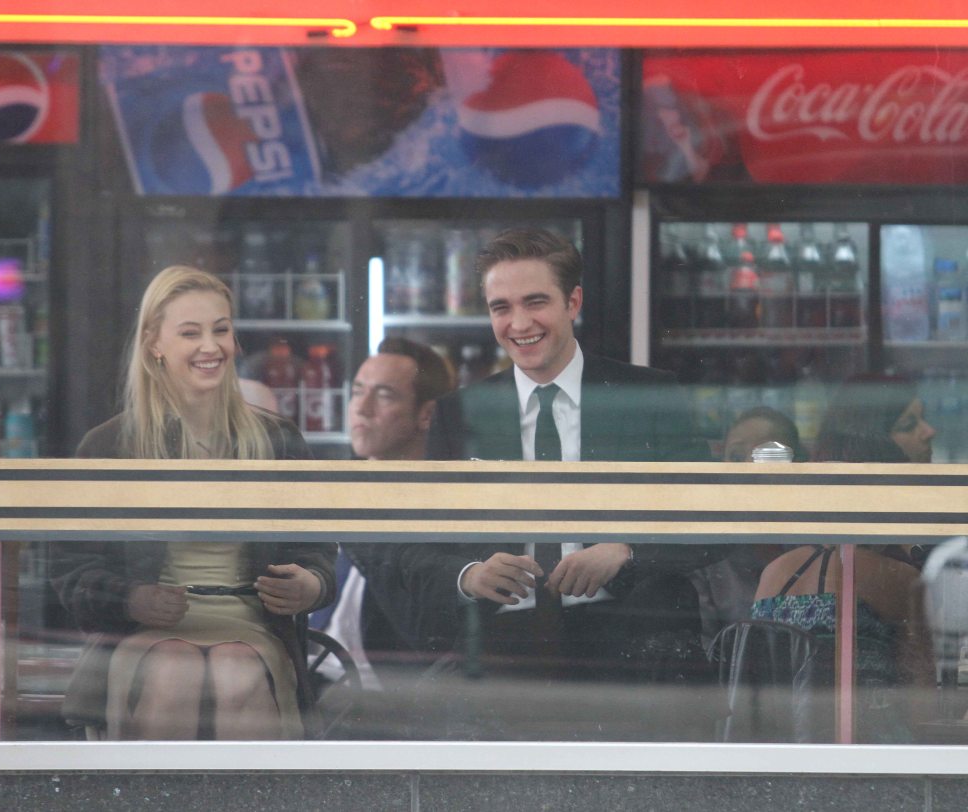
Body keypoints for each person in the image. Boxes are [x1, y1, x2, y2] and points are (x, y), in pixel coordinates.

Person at [396, 228, 716, 738]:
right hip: (501, 655)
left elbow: (711, 520)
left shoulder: (647, 395)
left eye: (535, 302)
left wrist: (626, 550)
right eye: (501, 308)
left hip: (634, 648)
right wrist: (470, 575)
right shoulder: (459, 414)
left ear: (573, 302)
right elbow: (417, 551)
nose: (519, 323)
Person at [51, 265, 336, 740]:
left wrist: (311, 584)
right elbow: (70, 571)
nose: (211, 346)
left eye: (220, 330)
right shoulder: (109, 445)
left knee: (236, 668)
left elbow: (317, 552)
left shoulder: (278, 439)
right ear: (154, 344)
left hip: (251, 627)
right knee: (172, 668)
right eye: (190, 333)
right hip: (141, 633)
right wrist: (132, 599)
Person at [752, 379, 937, 742]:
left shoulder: (774, 574)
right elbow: (922, 710)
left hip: (781, 753)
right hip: (873, 755)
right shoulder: (895, 577)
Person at [310, 337, 454, 692]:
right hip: (314, 677)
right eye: (358, 391)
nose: (362, 408)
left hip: (388, 698)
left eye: (385, 395)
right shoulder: (335, 492)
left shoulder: (442, 508)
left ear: (426, 414)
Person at [691, 406, 802, 649]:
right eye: (736, 457)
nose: (749, 467)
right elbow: (706, 648)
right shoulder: (709, 552)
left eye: (768, 457)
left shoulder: (820, 540)